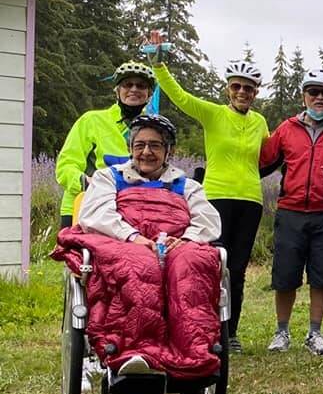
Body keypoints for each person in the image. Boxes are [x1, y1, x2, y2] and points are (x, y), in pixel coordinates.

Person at [52, 114, 223, 378]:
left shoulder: (186, 185)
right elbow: (97, 215)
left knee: (192, 262)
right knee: (140, 265)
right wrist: (133, 237)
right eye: (139, 145)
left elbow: (208, 220)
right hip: (122, 241)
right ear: (131, 149)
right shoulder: (109, 177)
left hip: (174, 243)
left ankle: (194, 352)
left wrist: (187, 239)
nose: (146, 152)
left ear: (169, 151)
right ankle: (135, 352)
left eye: (155, 145)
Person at [153, 58, 270, 354]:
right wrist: (159, 66)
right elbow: (179, 97)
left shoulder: (259, 122)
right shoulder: (213, 114)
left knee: (237, 269)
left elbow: (271, 155)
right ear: (228, 89)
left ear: (256, 92)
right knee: (211, 265)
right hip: (216, 197)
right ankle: (206, 328)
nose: (242, 92)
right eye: (237, 86)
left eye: (248, 88)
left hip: (251, 200)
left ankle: (230, 333)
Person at [260, 68, 323, 356]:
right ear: (304, 95)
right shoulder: (287, 128)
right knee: (285, 275)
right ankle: (282, 332)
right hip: (291, 210)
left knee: (322, 276)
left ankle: (314, 333)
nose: (320, 98)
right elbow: (264, 160)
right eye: (314, 92)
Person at [55, 61, 152, 227]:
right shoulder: (92, 120)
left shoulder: (152, 128)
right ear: (117, 91)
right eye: (127, 84)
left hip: (127, 211)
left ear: (149, 94)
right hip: (82, 206)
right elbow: (65, 166)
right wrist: (89, 182)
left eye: (141, 86)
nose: (134, 89)